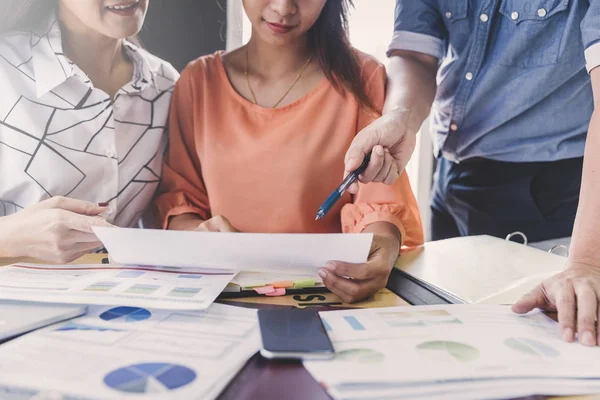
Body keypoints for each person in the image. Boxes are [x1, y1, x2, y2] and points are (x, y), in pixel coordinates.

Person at [344, 1, 600, 345]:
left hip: (545, 193)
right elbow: (417, 54)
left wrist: (587, 262)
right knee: (448, 337)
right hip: (450, 177)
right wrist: (399, 118)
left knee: (526, 344)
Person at [154, 0, 424, 303]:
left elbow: (379, 201)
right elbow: (180, 205)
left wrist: (381, 247)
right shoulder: (198, 82)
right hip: (222, 298)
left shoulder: (362, 78)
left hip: (328, 298)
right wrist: (198, 234)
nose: (284, 8)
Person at [0, 0, 179, 263]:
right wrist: (11, 237)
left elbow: (167, 211)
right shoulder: (6, 71)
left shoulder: (165, 85)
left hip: (122, 296)